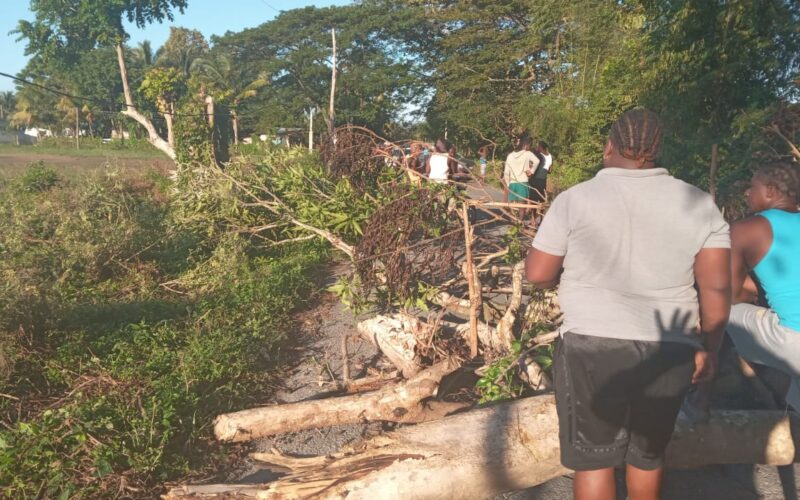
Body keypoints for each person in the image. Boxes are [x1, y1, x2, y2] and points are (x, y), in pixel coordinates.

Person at [525, 109, 731, 500]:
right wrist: (710, 350)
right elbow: (716, 291)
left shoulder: (575, 199)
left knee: (594, 461)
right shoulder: (700, 203)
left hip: (591, 343)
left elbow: (537, 273)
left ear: (608, 147)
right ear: (657, 151)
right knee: (648, 457)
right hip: (670, 347)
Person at [726, 162, 800, 410]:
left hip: (794, 342)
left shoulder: (748, 229)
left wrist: (756, 290)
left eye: (752, 187)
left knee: (721, 309)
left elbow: (732, 293)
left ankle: (700, 390)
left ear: (770, 190)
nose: (747, 193)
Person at [503, 136, 539, 214]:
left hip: (512, 183)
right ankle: (520, 221)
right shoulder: (527, 153)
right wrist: (531, 171)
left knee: (513, 204)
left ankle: (514, 221)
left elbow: (506, 172)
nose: (530, 147)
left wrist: (509, 183)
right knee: (521, 206)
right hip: (523, 182)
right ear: (526, 145)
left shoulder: (510, 156)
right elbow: (537, 161)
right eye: (530, 145)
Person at [528, 140, 552, 225]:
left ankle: (533, 220)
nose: (536, 148)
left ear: (541, 147)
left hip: (535, 180)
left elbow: (533, 166)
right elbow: (550, 170)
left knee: (533, 200)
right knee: (542, 200)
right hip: (543, 180)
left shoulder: (538, 155)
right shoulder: (550, 156)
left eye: (538, 146)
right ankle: (542, 219)